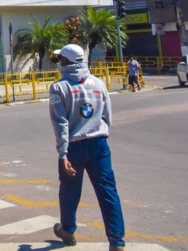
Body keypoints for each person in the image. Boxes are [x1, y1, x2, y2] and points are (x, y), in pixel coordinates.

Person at [49, 44, 125, 251]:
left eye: (60, 59)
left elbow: (60, 123)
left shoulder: (59, 87)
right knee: (108, 192)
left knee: (69, 192)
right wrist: (99, 132)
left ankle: (68, 229)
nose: (59, 63)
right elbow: (107, 115)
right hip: (99, 144)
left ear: (66, 62)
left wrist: (63, 153)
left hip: (73, 148)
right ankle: (117, 241)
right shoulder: (99, 83)